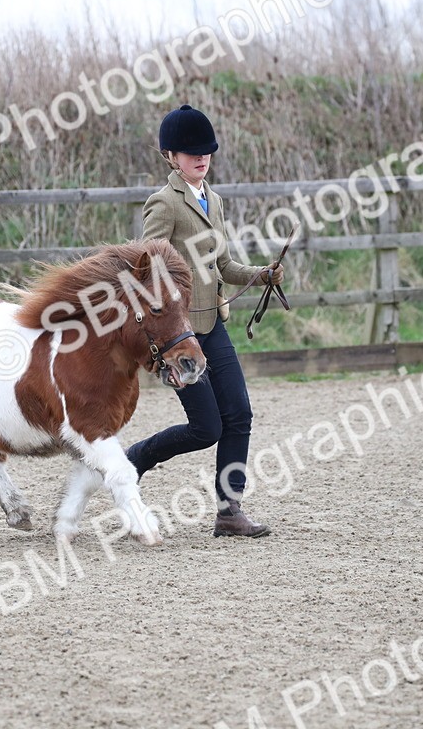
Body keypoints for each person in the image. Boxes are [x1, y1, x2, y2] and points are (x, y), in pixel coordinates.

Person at [125, 104, 284, 538]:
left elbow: (224, 264)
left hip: (214, 324)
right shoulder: (164, 203)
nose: (201, 157)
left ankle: (230, 510)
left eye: (206, 151)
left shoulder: (212, 198)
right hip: (180, 336)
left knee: (239, 415)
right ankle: (134, 460)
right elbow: (149, 269)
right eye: (191, 152)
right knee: (206, 428)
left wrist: (260, 276)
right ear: (171, 156)